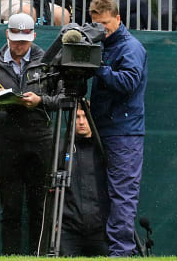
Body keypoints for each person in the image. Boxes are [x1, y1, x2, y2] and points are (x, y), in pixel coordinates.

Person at [0, 13, 55, 254]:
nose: (19, 46)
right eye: (15, 40)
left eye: (24, 41)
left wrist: (39, 101)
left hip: (41, 142)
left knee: (40, 208)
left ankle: (39, 257)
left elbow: (61, 100)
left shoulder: (46, 63)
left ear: (33, 36)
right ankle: (10, 257)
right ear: (7, 34)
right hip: (8, 144)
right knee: (10, 209)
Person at [88, 0, 148, 257]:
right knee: (104, 193)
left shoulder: (130, 47)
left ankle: (121, 251)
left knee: (122, 193)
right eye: (97, 24)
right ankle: (114, 249)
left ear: (118, 18)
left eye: (105, 23)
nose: (102, 29)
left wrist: (99, 68)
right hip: (106, 127)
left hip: (124, 131)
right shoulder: (103, 45)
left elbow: (128, 82)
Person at [60, 104, 110, 257]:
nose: (81, 122)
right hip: (68, 230)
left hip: (100, 230)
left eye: (85, 117)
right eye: (77, 117)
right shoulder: (61, 149)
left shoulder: (105, 148)